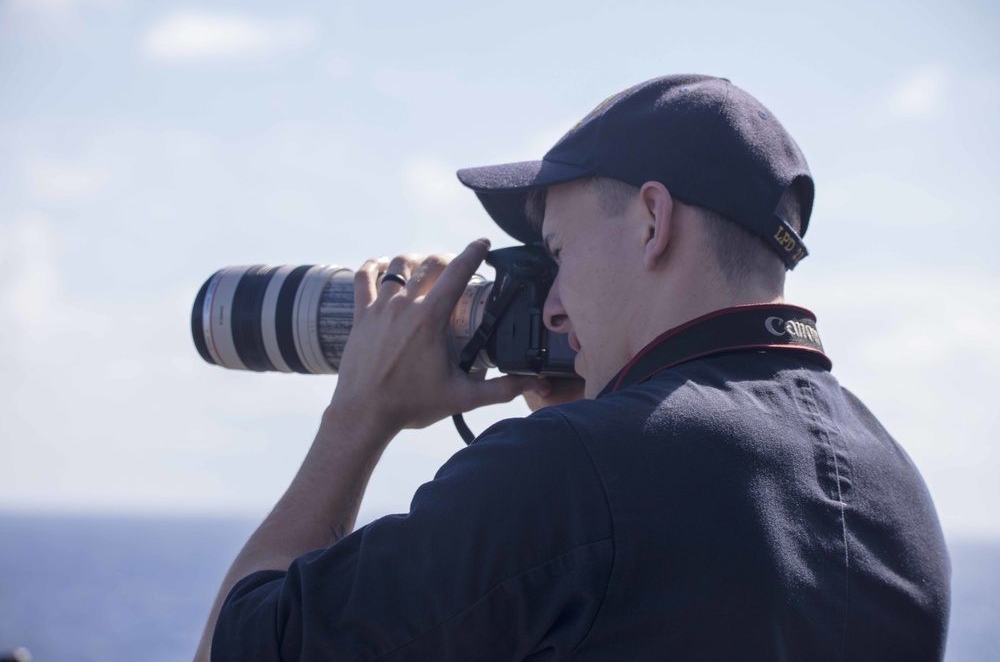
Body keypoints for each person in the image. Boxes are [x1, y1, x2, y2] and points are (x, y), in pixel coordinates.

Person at [196, 74, 950, 661]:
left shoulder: (567, 478)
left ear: (654, 221)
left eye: (557, 254)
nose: (552, 305)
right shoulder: (900, 496)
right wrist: (586, 409)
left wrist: (357, 417)